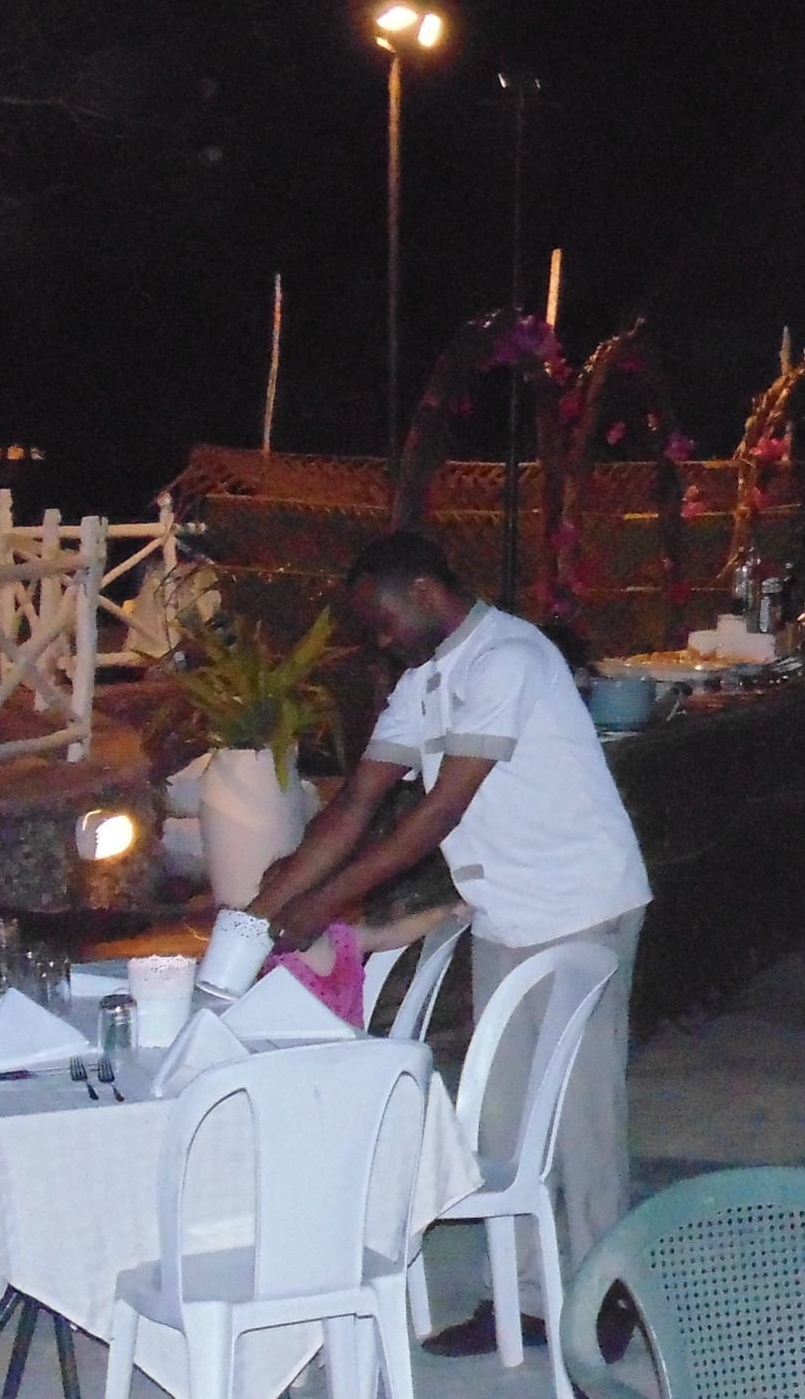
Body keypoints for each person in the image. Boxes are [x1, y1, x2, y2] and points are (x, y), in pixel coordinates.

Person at [249, 532, 653, 1361]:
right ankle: (526, 1302)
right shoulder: (423, 683)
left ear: (426, 593)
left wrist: (323, 903)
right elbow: (356, 804)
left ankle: (610, 1295)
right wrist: (261, 914)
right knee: (501, 1126)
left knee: (581, 1124)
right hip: (508, 912)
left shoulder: (510, 659)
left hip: (582, 906)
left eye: (384, 622)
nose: (380, 640)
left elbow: (439, 814)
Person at [265, 896, 469, 1030]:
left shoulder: (343, 939)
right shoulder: (277, 968)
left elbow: (394, 932)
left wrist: (443, 912)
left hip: (356, 1055)